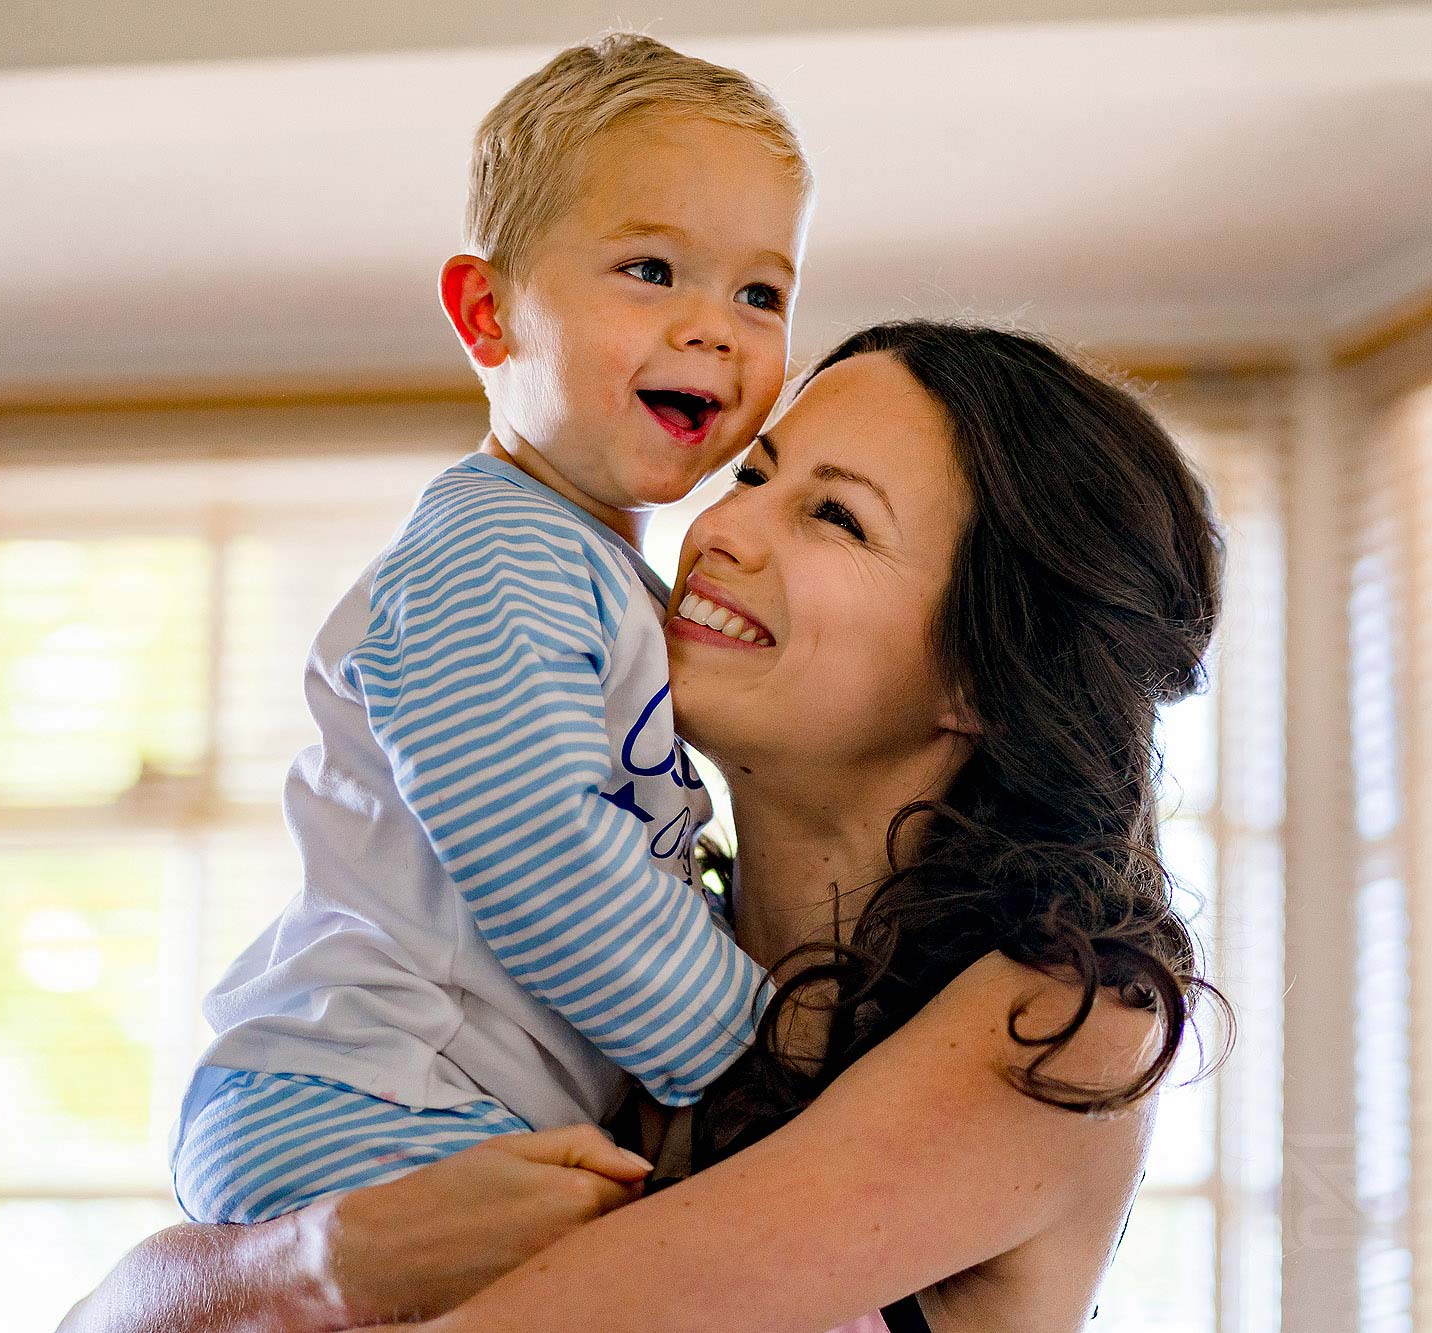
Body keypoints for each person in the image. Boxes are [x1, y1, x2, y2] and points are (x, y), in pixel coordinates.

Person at [63, 321, 1227, 1331]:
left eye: (831, 515)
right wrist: (326, 1254)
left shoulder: (1061, 1027)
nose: (721, 530)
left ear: (983, 671)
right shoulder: (611, 963)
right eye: (754, 472)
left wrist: (301, 1273)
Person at [170, 33, 814, 1227]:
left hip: (427, 1098)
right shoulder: (493, 553)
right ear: (487, 313)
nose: (716, 328)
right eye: (651, 271)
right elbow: (537, 844)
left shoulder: (592, 568)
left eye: (760, 293)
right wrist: (757, 1046)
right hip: (372, 1095)